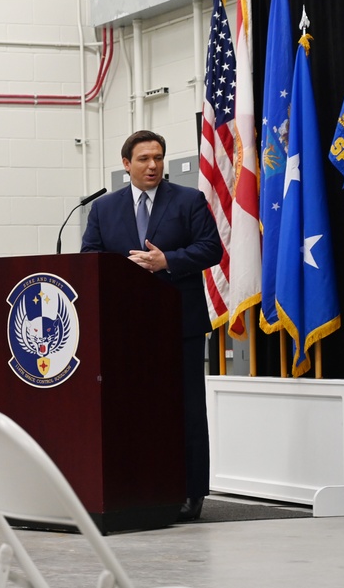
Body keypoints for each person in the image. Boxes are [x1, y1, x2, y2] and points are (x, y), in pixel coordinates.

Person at [80, 130, 222, 522]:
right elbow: (89, 257)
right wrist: (119, 270)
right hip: (125, 328)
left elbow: (212, 248)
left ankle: (192, 492)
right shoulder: (104, 209)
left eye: (158, 157)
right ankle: (138, 487)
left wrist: (167, 261)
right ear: (126, 164)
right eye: (143, 159)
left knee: (187, 410)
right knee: (134, 410)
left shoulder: (189, 200)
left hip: (180, 324)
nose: (153, 166)